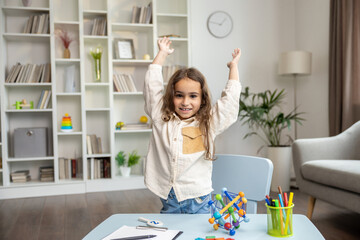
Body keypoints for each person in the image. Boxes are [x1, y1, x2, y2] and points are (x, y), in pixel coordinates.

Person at [143, 37, 242, 214]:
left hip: (199, 199)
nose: (185, 102)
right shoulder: (161, 117)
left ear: (202, 98)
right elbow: (152, 85)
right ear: (171, 96)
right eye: (179, 95)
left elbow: (230, 102)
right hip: (169, 199)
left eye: (193, 96)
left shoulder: (208, 122)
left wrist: (233, 67)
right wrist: (162, 54)